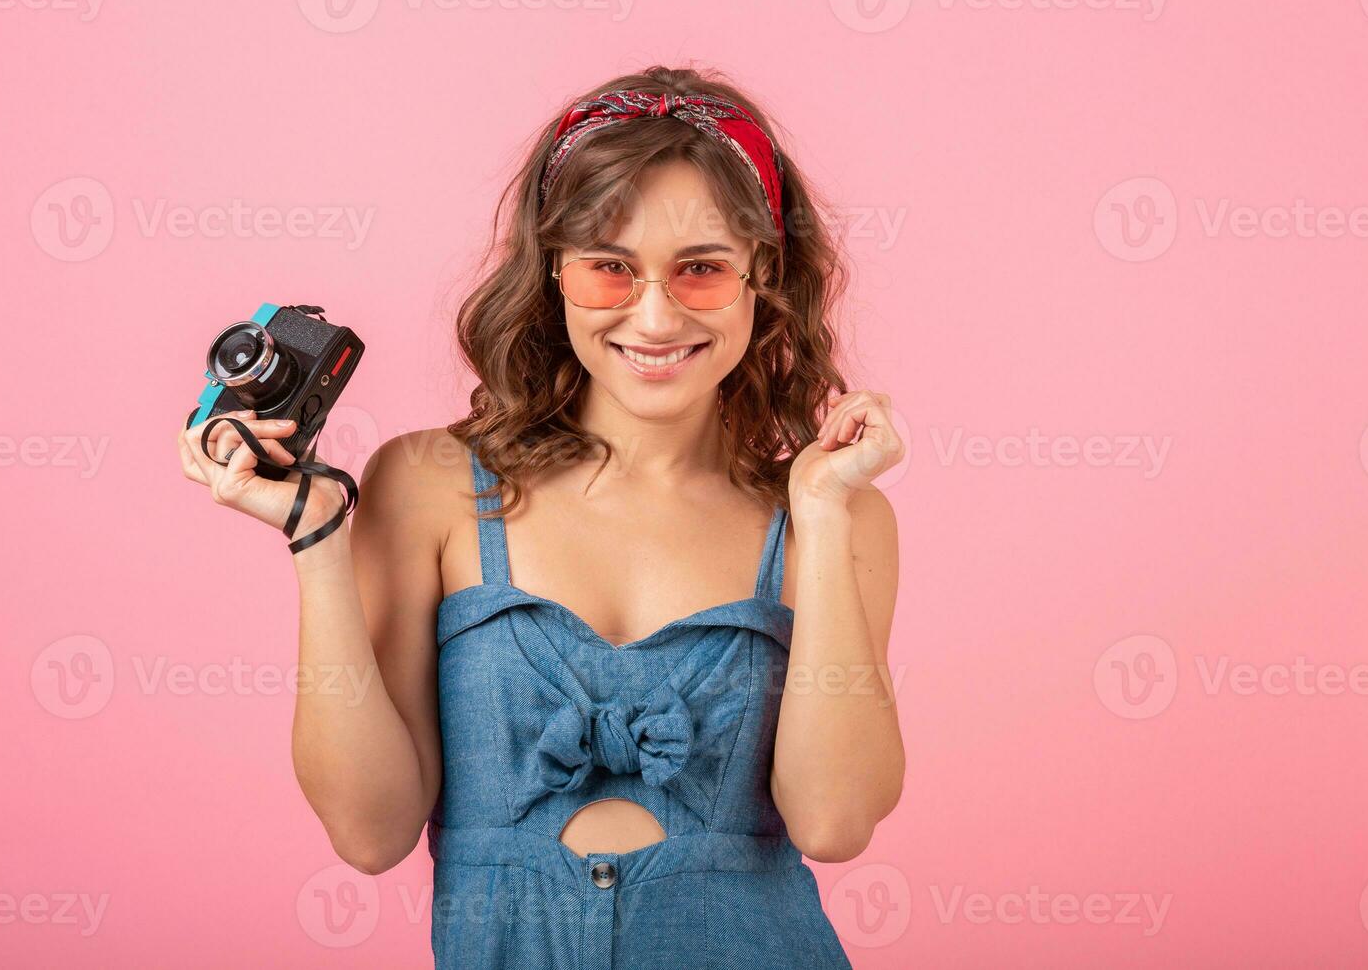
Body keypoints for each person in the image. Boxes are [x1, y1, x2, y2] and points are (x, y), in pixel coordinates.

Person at [177, 63, 905, 969]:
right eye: (609, 267)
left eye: (702, 270)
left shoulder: (828, 517)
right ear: (553, 270)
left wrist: (826, 513)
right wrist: (315, 538)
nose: (654, 313)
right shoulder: (429, 486)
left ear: (766, 276)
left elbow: (835, 821)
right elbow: (370, 834)